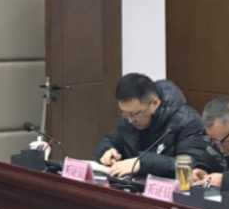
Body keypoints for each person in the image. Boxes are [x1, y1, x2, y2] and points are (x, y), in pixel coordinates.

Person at [94, 73, 222, 178]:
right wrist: (107, 151)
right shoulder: (129, 119)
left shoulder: (187, 121)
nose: (130, 120)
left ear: (155, 103)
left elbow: (194, 164)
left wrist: (144, 163)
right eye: (124, 113)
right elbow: (108, 141)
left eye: (135, 114)